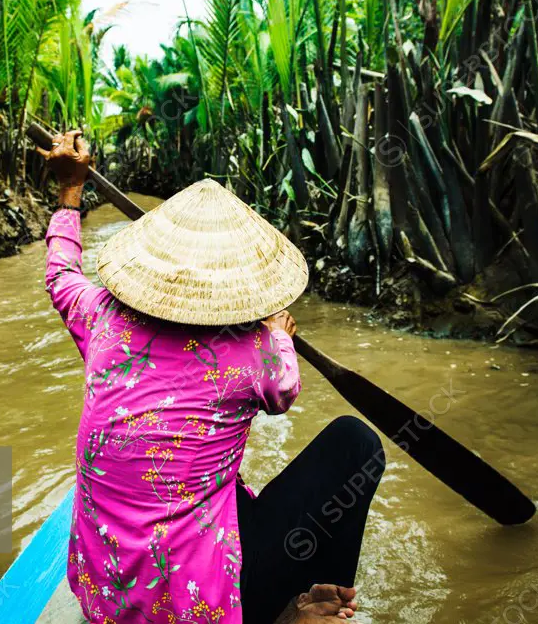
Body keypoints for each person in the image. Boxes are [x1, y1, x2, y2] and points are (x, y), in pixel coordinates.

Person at [39, 131, 385, 624]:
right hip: (195, 610)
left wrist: (70, 190)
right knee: (356, 444)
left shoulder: (100, 316)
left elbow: (60, 274)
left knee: (223, 486)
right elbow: (284, 388)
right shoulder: (256, 355)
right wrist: (279, 332)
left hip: (103, 593)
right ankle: (314, 603)